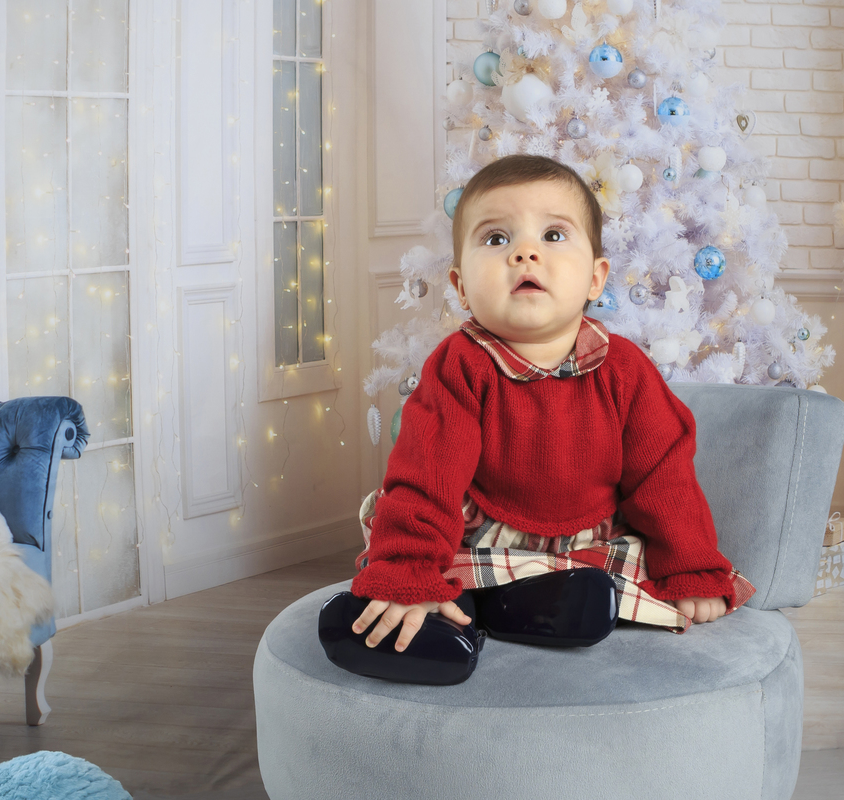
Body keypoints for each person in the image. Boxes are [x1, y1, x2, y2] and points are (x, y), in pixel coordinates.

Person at [319, 154, 754, 684]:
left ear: (596, 278)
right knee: (419, 576)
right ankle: (446, 621)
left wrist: (689, 566)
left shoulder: (625, 370)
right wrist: (405, 573)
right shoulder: (460, 366)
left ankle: (529, 608)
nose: (525, 252)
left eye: (553, 235)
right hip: (480, 538)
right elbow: (426, 476)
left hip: (585, 543)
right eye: (496, 239)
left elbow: (664, 477)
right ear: (460, 287)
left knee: (615, 584)